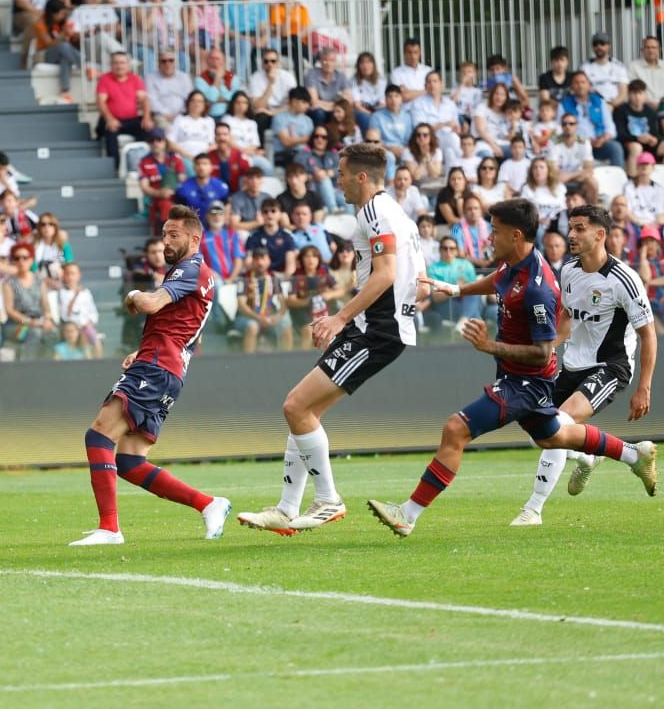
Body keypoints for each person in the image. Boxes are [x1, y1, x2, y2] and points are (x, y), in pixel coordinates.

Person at [371, 200, 658, 538]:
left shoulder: (541, 287)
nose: (489, 237)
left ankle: (410, 513)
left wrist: (490, 345)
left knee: (456, 430)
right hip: (549, 368)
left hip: (539, 379)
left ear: (516, 234)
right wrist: (457, 289)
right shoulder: (546, 268)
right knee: (556, 436)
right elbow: (503, 280)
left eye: (495, 231)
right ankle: (631, 455)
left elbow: (540, 353)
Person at [238, 143, 425, 536]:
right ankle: (287, 508)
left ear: (361, 176)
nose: (336, 181)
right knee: (303, 412)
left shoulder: (375, 211)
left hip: (376, 330)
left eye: (341, 174)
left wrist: (341, 317)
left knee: (296, 405)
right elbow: (417, 282)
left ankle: (327, 500)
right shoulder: (398, 215)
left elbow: (386, 274)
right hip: (378, 326)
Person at [72, 205, 231, 546]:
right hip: (164, 365)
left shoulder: (190, 269)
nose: (166, 242)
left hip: (157, 367)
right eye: (163, 235)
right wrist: (144, 350)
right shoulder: (197, 275)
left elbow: (150, 304)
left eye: (174, 235)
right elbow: (191, 333)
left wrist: (132, 295)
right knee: (129, 461)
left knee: (98, 435)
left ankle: (109, 528)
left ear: (194, 238)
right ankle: (209, 504)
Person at [509, 204, 658, 525]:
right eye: (571, 228)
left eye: (579, 229)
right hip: (572, 366)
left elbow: (649, 334)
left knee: (558, 424)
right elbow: (566, 317)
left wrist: (644, 387)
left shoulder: (625, 280)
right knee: (536, 431)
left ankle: (533, 509)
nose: (571, 234)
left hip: (610, 366)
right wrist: (547, 347)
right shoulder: (569, 270)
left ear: (599, 234)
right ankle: (607, 455)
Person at [95, 51, 154, 169]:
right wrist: (110, 119)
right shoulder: (105, 79)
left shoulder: (135, 79)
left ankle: (139, 164)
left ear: (128, 65)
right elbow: (100, 101)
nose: (119, 66)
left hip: (130, 120)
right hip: (110, 119)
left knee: (147, 129)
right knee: (110, 130)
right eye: (116, 63)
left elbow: (144, 99)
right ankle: (114, 168)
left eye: (122, 63)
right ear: (111, 65)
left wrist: (147, 117)